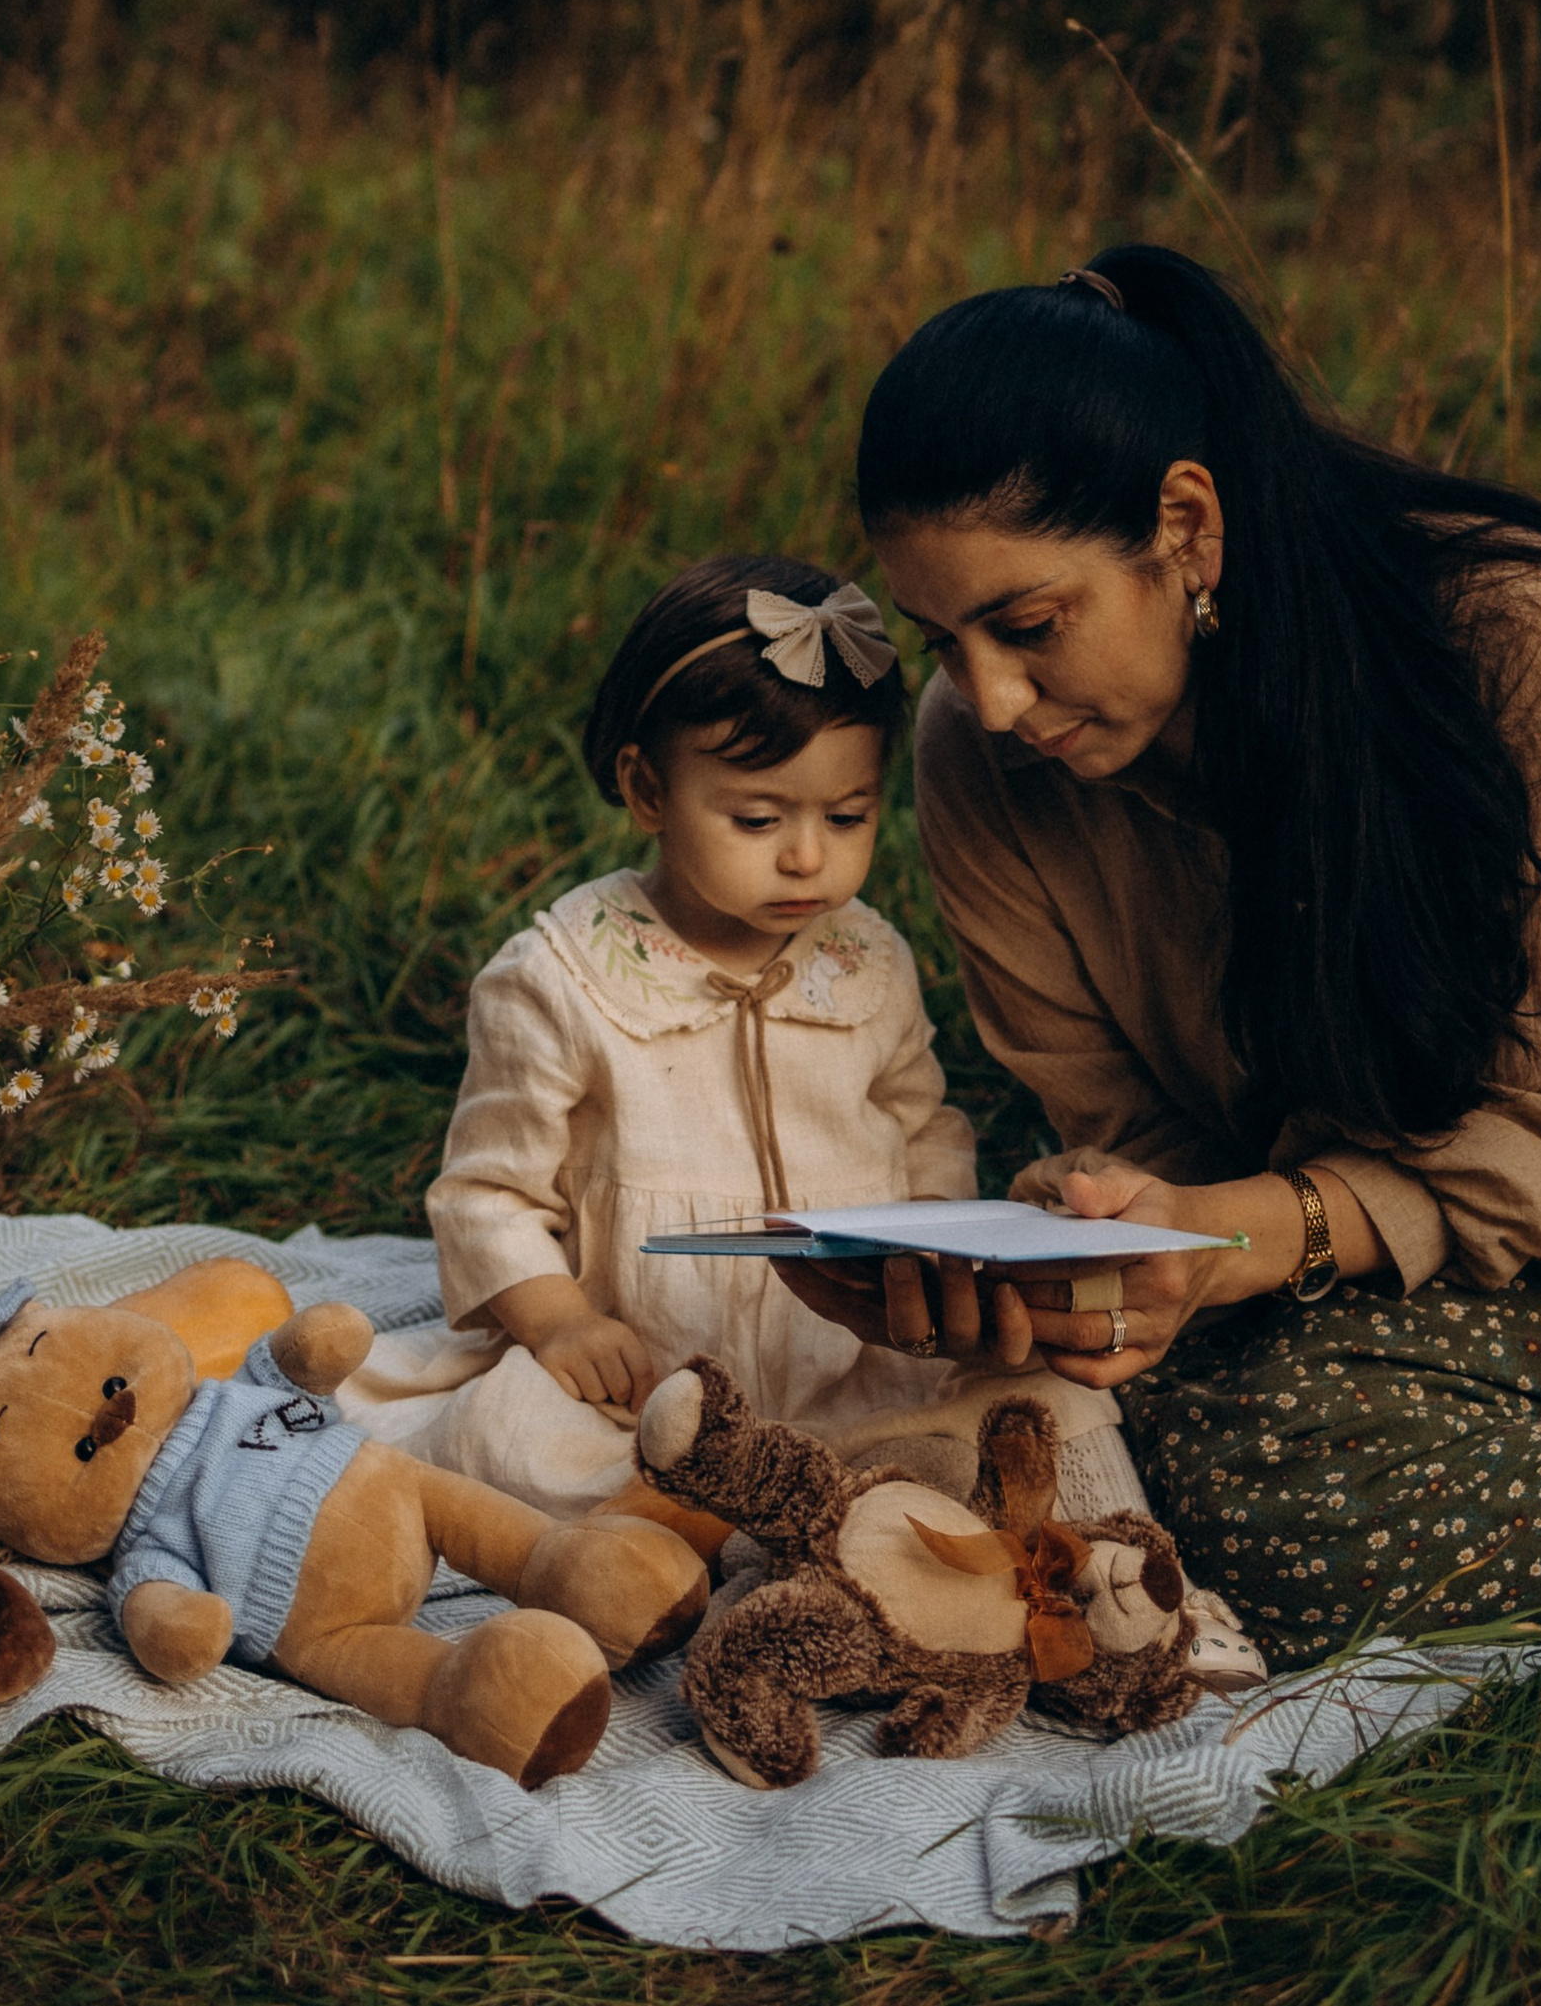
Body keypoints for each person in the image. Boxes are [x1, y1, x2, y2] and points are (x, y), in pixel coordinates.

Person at [770, 245, 1541, 1656]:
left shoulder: (1516, 639)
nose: (994, 700)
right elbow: (1136, 1127)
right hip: (1354, 1162)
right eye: (947, 641)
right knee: (1150, 1424)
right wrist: (1088, 1246)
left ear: (1186, 527)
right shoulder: (976, 760)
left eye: (1029, 627)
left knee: (1256, 1480)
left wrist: (1238, 1243)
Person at [338, 550, 1140, 1520]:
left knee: (1047, 1405)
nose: (807, 853)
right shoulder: (559, 974)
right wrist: (558, 1322)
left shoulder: (868, 962)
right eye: (757, 817)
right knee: (504, 1433)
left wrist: (943, 1252)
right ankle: (734, 1528)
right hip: (642, 1381)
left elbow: (924, 1126)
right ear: (647, 791)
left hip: (857, 1366)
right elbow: (486, 1191)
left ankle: (1091, 1560)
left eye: (846, 814)